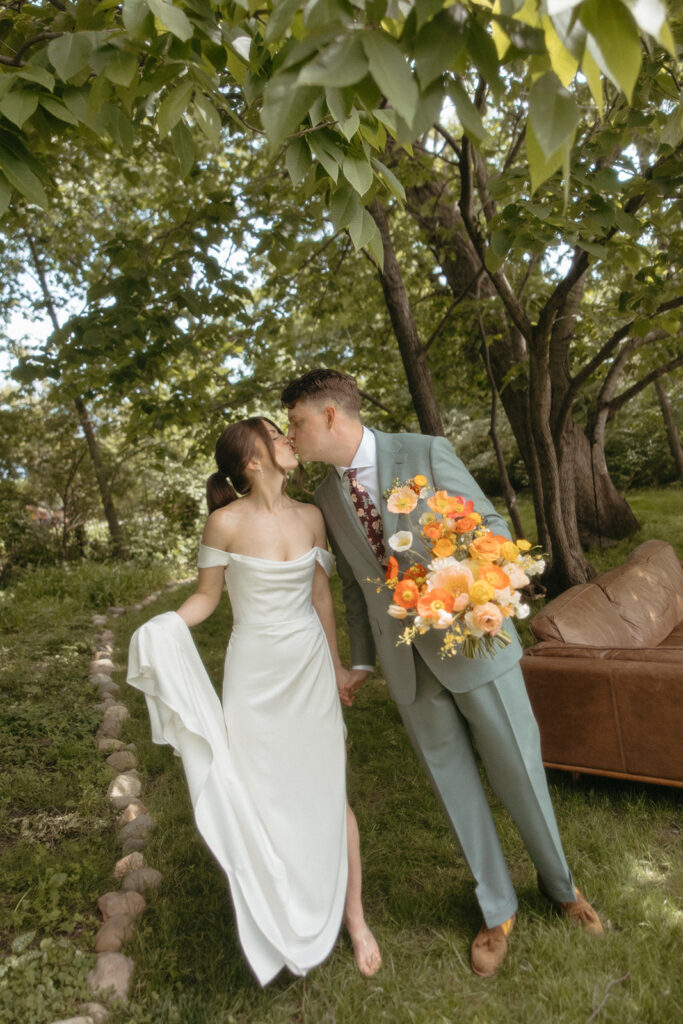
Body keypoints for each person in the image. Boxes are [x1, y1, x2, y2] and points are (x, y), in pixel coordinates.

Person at [281, 368, 603, 978]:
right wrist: (359, 663)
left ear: (329, 415)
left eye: (297, 422)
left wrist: (465, 587)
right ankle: (496, 907)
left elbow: (493, 529)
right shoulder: (325, 498)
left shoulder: (426, 452)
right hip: (406, 663)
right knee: (453, 788)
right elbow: (353, 587)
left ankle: (561, 888)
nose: (292, 436)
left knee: (519, 770)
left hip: (473, 640)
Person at [127, 416, 381, 985]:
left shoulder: (313, 516)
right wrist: (164, 626)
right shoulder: (224, 524)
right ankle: (277, 902)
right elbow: (205, 599)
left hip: (310, 670)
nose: (290, 438)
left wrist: (339, 665)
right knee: (264, 793)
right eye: (277, 433)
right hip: (254, 677)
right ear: (252, 461)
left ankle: (356, 920)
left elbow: (321, 596)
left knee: (330, 791)